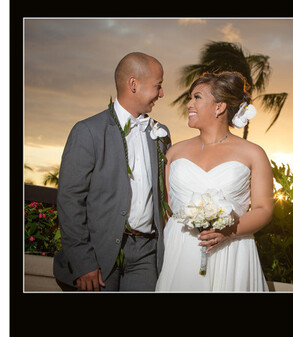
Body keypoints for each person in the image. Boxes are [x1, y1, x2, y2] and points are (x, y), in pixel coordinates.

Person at [54, 52, 171, 291]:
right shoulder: (87, 131)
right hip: (98, 252)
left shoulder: (161, 134)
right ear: (133, 84)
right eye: (158, 86)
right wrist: (83, 262)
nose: (162, 94)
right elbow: (70, 200)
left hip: (147, 254)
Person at [155, 71, 273, 291]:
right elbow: (166, 209)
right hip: (180, 251)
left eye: (197, 97)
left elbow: (263, 208)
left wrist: (228, 232)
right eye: (190, 98)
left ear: (219, 107)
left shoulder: (253, 153)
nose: (189, 104)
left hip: (232, 251)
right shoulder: (173, 152)